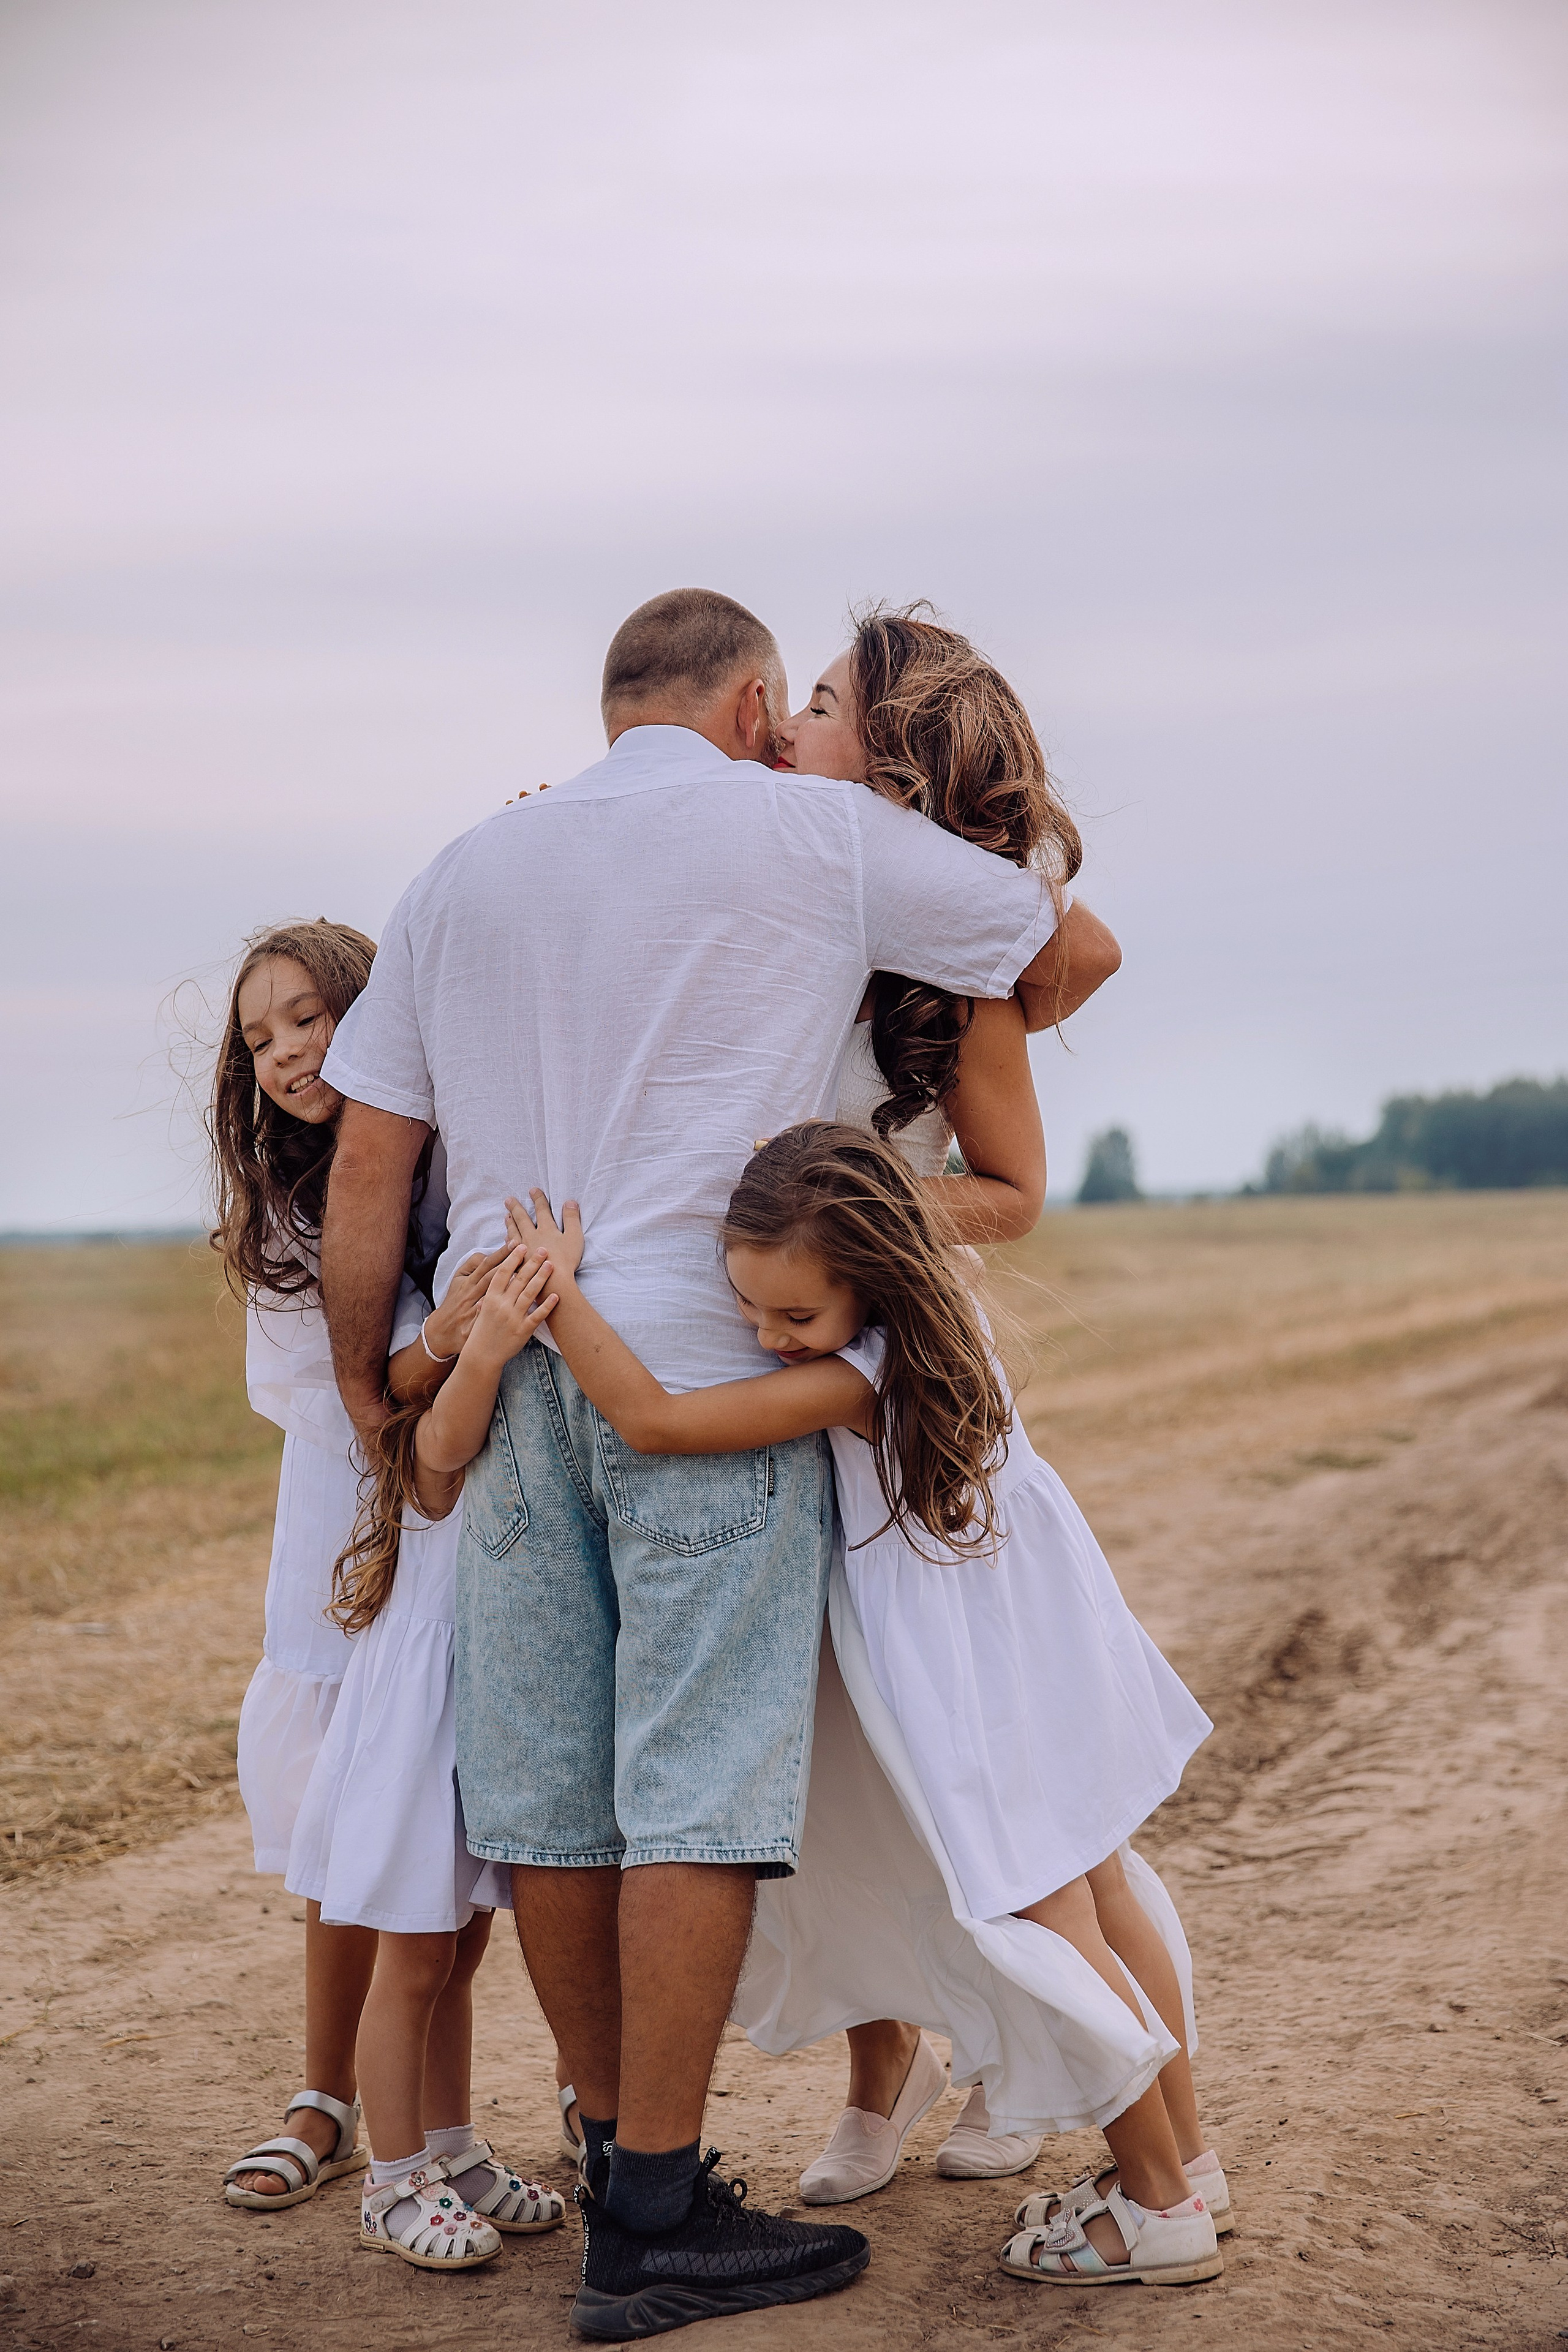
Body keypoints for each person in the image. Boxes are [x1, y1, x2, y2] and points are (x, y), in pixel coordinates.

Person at [314, 587, 1118, 2340]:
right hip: (716, 1359)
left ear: (612, 712)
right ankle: (661, 2218)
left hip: (517, 1362)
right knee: (692, 1789)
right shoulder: (813, 833)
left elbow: (375, 1158)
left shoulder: (462, 871)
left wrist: (378, 1394)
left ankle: (610, 2156)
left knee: (551, 1799)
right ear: (756, 702)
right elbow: (1054, 949)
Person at [511, 1129, 1223, 2291]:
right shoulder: (948, 1323)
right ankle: (1191, 2169)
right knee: (1094, 1887)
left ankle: (1157, 2207)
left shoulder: (861, 1378)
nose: (764, 1337)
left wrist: (558, 1296)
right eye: (747, 1306)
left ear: (871, 1280)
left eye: (791, 1315)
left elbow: (653, 1422)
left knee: (1044, 1924)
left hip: (971, 1681)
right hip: (1041, 1642)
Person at [772, 609, 1228, 2233]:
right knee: (884, 1781)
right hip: (795, 1395)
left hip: (905, 1396)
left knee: (1028, 1800)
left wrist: (862, 1208)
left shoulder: (957, 969)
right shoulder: (777, 886)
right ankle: (919, 2075)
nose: (784, 716)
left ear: (890, 766)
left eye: (818, 702)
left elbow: (1018, 1193)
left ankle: (1163, 2163)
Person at [210, 919, 507, 2213]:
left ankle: (456, 2116)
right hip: (354, 1526)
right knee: (357, 1827)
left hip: (463, 1508)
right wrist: (447, 1342)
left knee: (459, 1833)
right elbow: (355, 1408)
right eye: (259, 1037)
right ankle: (325, 2097)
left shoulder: (444, 1155)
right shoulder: (291, 1210)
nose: (284, 1052)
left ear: (373, 1010)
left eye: (306, 1017)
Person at [295, 1242, 567, 2267]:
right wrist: (484, 1342)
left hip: (475, 1724)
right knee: (410, 1962)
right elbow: (448, 1443)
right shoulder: (430, 1438)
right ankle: (393, 2179)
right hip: (422, 1735)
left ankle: (451, 2149)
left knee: (458, 1955)